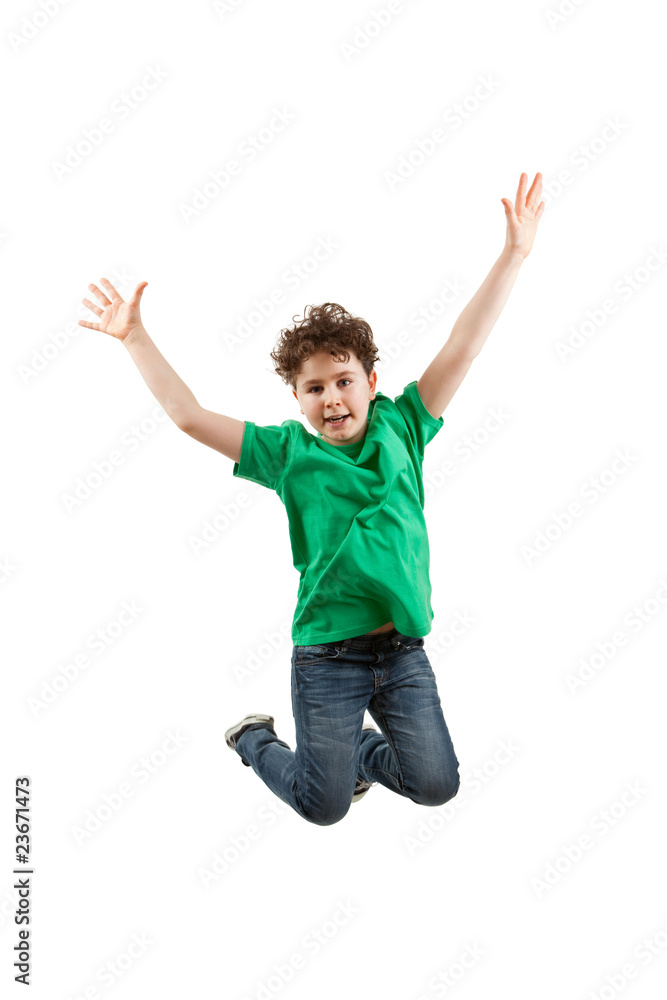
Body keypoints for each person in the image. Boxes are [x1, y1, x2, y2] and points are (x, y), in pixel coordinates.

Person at [79, 172, 545, 826]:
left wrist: (513, 255)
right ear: (296, 400)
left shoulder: (403, 427)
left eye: (343, 381)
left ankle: (354, 749)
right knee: (321, 808)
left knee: (437, 784)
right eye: (314, 387)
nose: (331, 398)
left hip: (400, 651)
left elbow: (462, 346)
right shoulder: (289, 456)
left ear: (370, 381)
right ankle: (253, 739)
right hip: (327, 657)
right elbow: (187, 416)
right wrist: (133, 336)